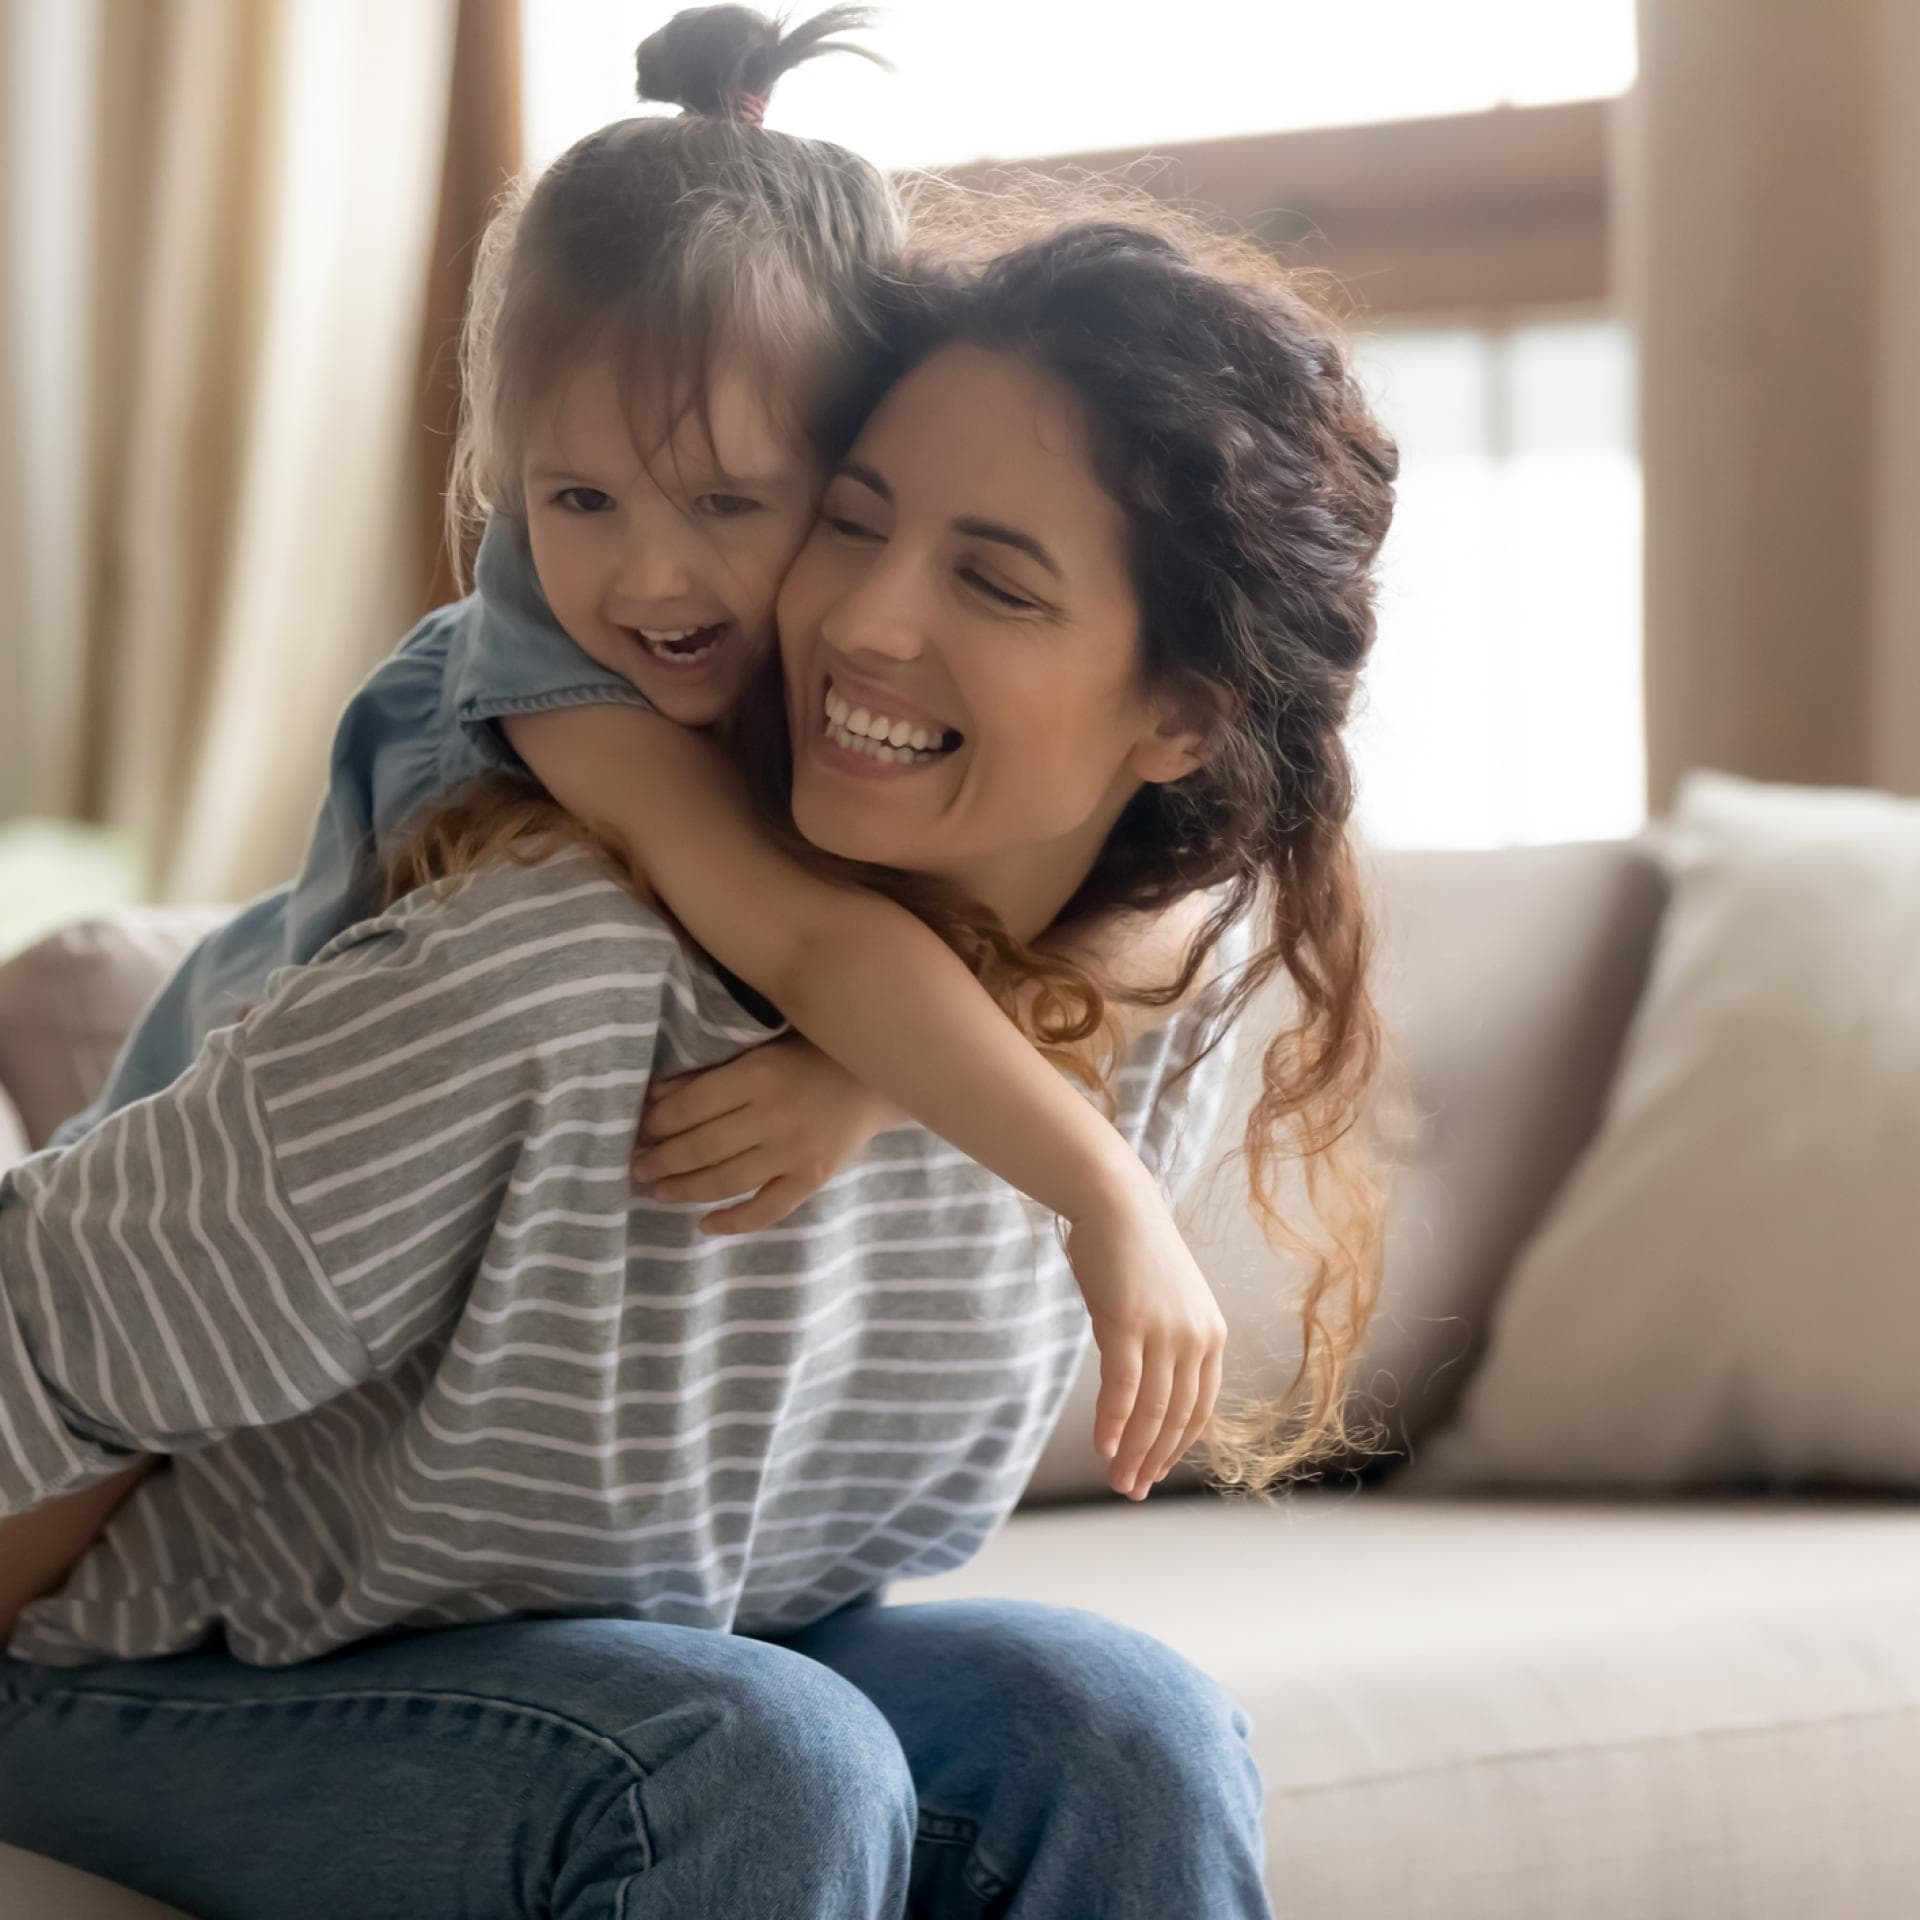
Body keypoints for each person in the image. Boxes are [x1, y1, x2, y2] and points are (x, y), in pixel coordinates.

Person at [0, 202, 1396, 1914]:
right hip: (175, 1678)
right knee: (741, 1762)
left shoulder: (1135, 1015)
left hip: (665, 1658)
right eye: (853, 521)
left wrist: (885, 1078)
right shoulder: (546, 977)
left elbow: (1050, 968)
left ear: (1181, 719)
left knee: (1124, 1726)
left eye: (992, 577)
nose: (865, 619)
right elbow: (38, 1326)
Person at [44, 4, 1224, 1502]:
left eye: (729, 505)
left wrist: (860, 1083)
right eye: (579, 499)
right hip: (200, 1144)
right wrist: (1099, 1186)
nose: (650, 583)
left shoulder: (854, 652)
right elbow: (797, 934)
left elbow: (1152, 908)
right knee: (69, 1489)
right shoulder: (548, 658)